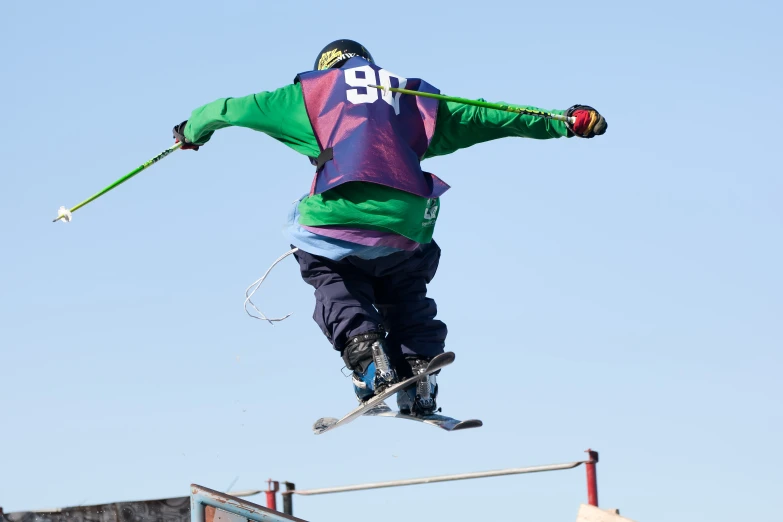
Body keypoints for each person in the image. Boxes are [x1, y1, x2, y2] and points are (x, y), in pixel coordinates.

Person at [172, 39, 607, 416]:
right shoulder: (415, 99)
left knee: (330, 273)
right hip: (407, 226)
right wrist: (564, 120)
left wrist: (191, 132)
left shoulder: (307, 95)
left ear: (326, 68)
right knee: (405, 286)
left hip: (337, 221)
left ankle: (367, 358)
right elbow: (493, 117)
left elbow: (225, 109)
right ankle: (419, 372)